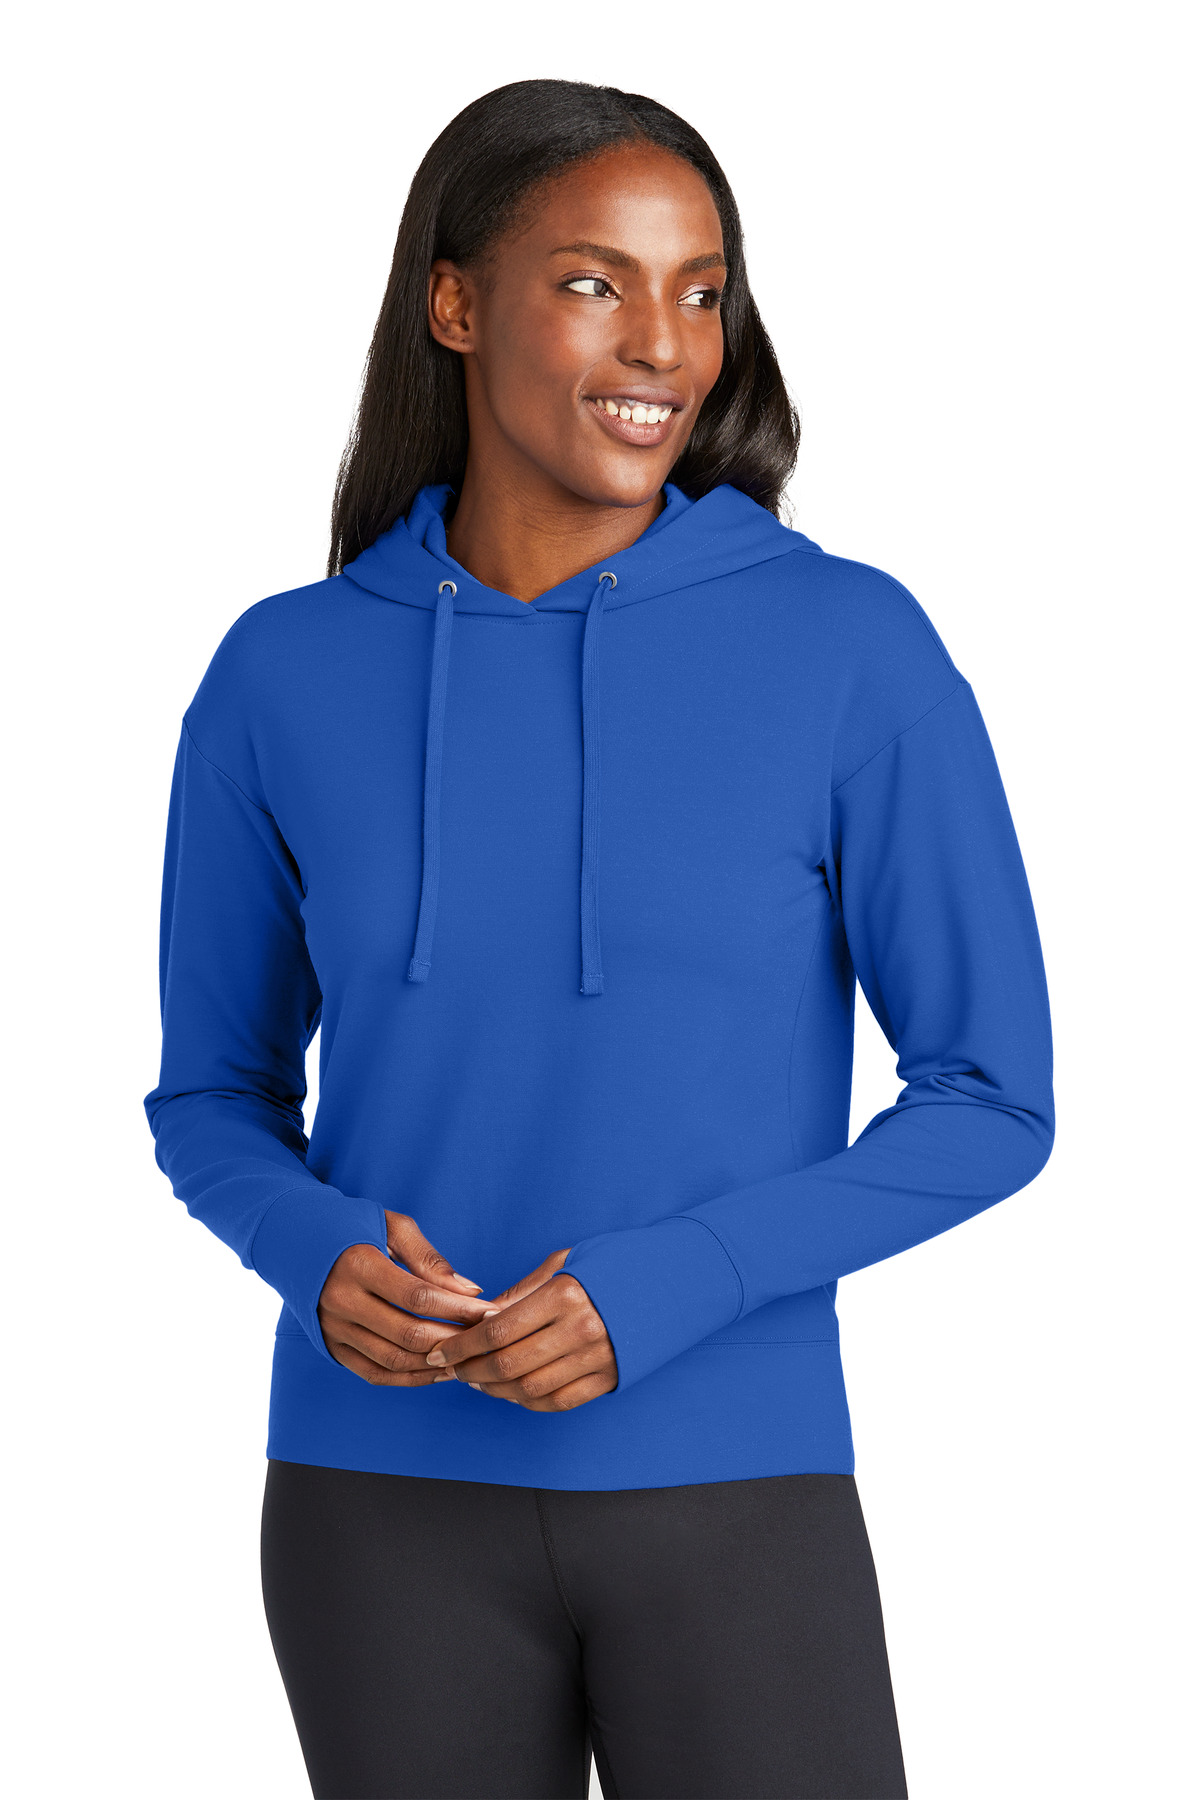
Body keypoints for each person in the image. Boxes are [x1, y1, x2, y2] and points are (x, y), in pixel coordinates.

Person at [143, 77, 1054, 1800]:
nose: (663, 346)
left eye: (701, 292)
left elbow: (994, 1098)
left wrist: (677, 1282)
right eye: (593, 283)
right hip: (373, 1504)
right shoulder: (282, 673)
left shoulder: (849, 648)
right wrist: (312, 1251)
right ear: (455, 302)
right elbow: (211, 1096)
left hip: (738, 1486)